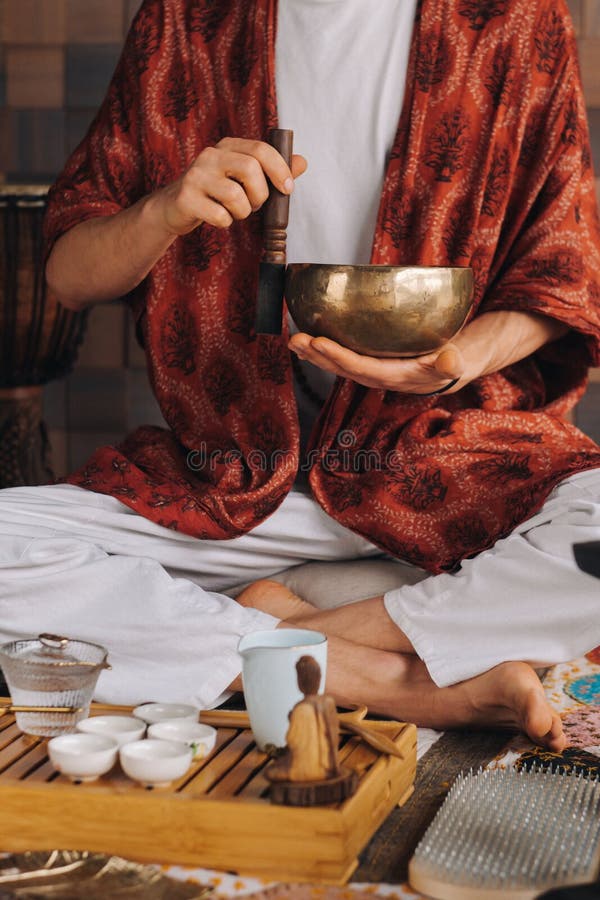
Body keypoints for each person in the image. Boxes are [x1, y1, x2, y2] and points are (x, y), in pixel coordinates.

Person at [1, 0, 599, 753]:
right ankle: (389, 680)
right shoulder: (188, 20)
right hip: (235, 471)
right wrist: (164, 211)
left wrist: (454, 364)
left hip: (447, 458)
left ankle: (276, 630)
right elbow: (67, 277)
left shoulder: (510, 18)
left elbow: (565, 269)